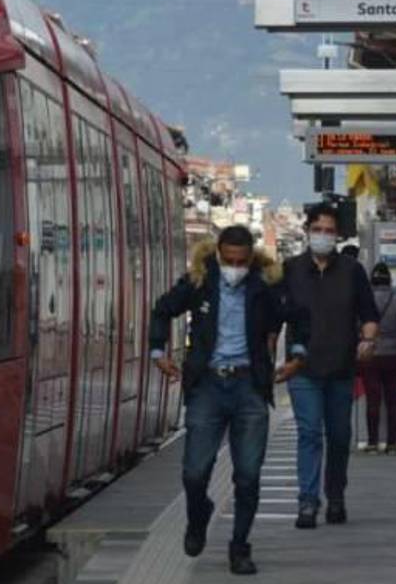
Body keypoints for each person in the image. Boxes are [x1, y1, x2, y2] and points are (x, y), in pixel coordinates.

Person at [149, 225, 288, 576]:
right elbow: (162, 309)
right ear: (218, 254)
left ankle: (240, 547)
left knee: (248, 476)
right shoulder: (200, 281)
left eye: (242, 262)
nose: (235, 268)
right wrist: (157, 351)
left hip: (249, 387)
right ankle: (199, 516)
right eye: (229, 260)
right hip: (208, 385)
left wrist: (297, 354)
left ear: (251, 258)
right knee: (195, 472)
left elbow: (296, 316)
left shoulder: (265, 285)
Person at [274, 203, 380, 529]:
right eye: (317, 229)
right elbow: (271, 318)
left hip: (341, 368)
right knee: (308, 433)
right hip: (302, 368)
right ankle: (307, 502)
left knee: (338, 435)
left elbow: (370, 314)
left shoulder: (352, 270)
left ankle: (335, 496)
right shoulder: (289, 270)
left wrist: (368, 339)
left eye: (329, 230)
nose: (323, 235)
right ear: (307, 232)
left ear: (337, 235)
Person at [362, 263, 396, 454]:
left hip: (370, 355)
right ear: (390, 280)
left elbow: (354, 328)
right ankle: (392, 444)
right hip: (394, 356)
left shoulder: (364, 301)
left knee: (372, 399)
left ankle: (371, 443)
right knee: (392, 399)